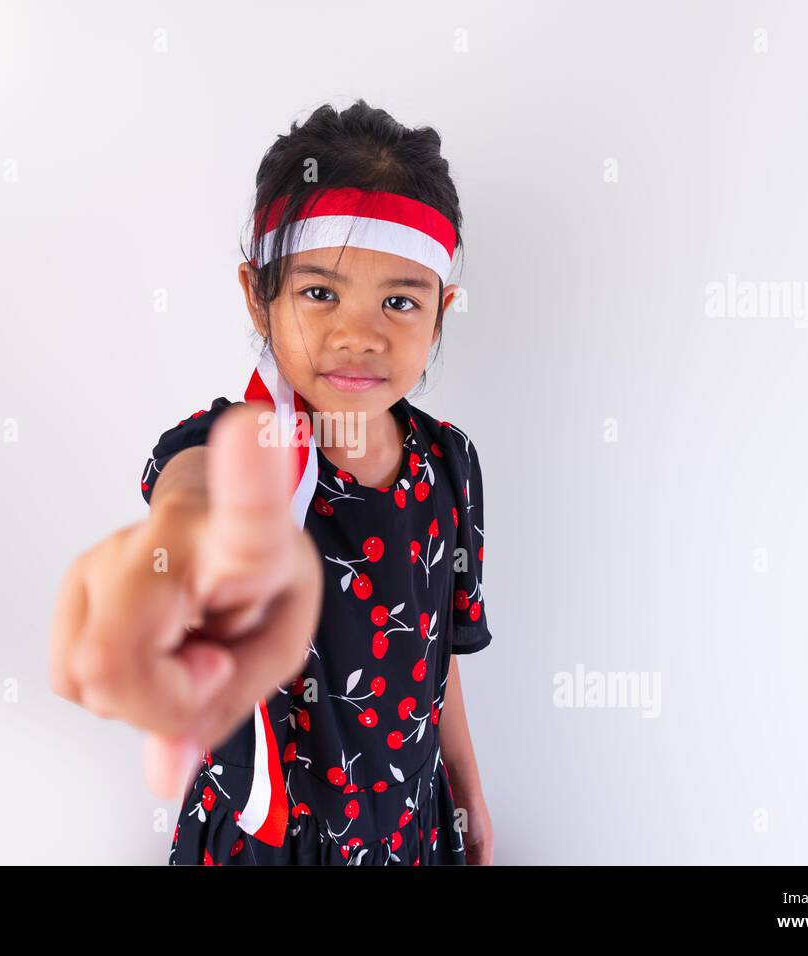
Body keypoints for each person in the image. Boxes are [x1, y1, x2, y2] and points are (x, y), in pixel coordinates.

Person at [50, 100, 493, 865]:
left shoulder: (449, 464)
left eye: (400, 301)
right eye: (320, 293)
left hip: (415, 834)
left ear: (442, 311)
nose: (359, 334)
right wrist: (179, 545)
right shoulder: (232, 449)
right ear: (259, 294)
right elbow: (194, 498)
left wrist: (468, 788)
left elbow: (438, 658)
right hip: (271, 845)